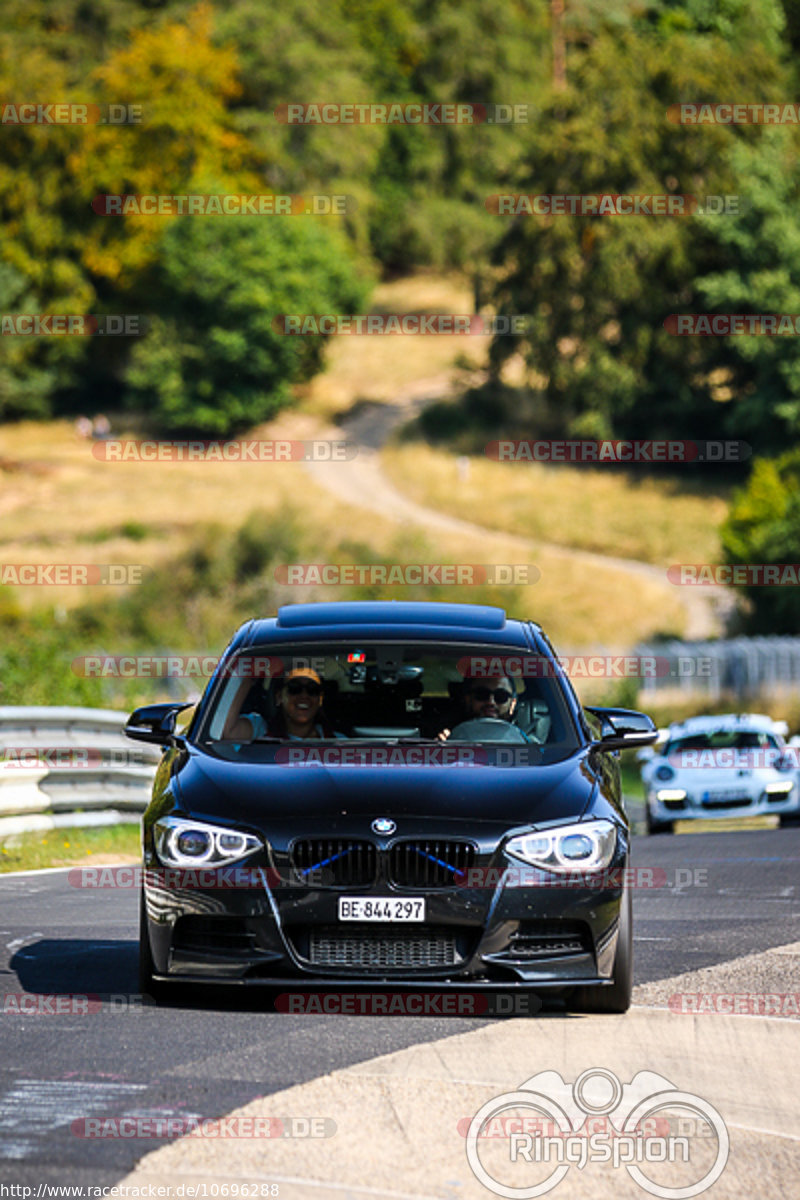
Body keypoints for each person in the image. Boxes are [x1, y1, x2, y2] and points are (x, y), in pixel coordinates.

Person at [222, 667, 335, 741]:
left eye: (312, 690)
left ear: (320, 700)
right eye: (294, 688)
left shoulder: (337, 741)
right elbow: (227, 732)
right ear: (279, 697)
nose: (304, 696)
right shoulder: (260, 729)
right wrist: (248, 678)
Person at [438, 675, 518, 739]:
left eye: (501, 696)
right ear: (468, 699)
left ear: (512, 704)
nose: (491, 702)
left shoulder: (526, 742)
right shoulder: (450, 738)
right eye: (482, 694)